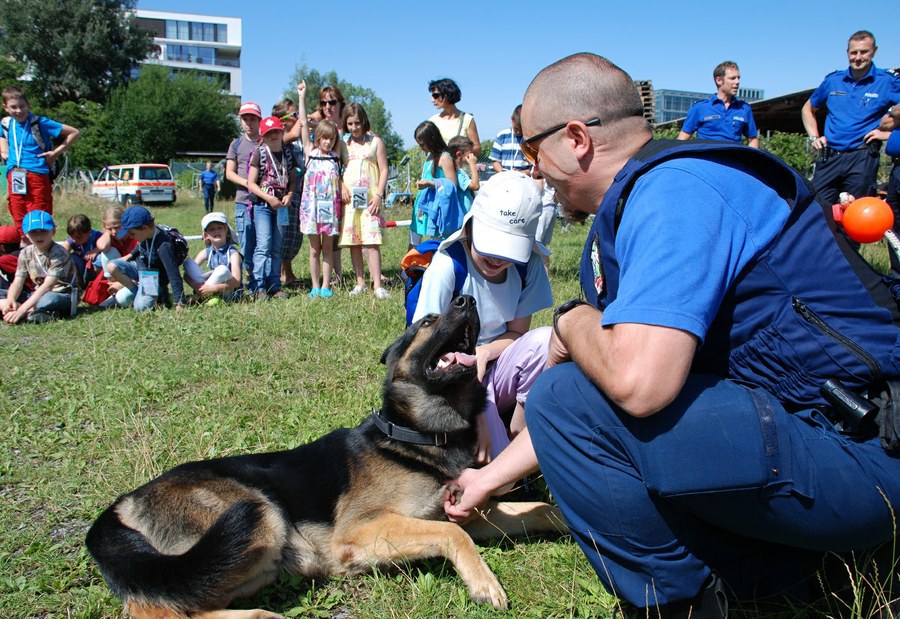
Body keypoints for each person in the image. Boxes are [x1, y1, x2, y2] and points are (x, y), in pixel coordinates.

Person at [445, 52, 900, 617]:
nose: (534, 170)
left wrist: (570, 320)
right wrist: (490, 478)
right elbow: (600, 403)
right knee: (567, 393)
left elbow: (636, 385)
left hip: (866, 452)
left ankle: (691, 604)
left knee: (564, 395)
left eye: (533, 150)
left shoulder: (675, 189)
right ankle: (770, 576)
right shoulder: (636, 206)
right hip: (811, 436)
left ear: (577, 139)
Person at [413, 171, 553, 462]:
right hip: (450, 374)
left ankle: (518, 431)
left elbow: (517, 334)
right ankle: (494, 441)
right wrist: (465, 374)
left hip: (496, 365)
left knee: (546, 341)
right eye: (490, 245)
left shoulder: (529, 267)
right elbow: (423, 344)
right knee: (499, 477)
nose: (496, 259)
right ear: (471, 225)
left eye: (508, 250)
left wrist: (485, 352)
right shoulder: (448, 266)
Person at [801, 31, 900, 207]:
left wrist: (887, 133)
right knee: (816, 210)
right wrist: (814, 137)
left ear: (874, 51)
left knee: (856, 215)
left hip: (861, 157)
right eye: (854, 52)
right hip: (829, 156)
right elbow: (808, 109)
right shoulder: (834, 80)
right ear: (847, 52)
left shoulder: (888, 81)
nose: (858, 57)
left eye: (864, 52)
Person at [0, 87, 80, 235]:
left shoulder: (39, 122)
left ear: (28, 105)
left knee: (39, 211)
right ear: (6, 108)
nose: (19, 111)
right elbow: (2, 136)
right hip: (15, 174)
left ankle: (44, 244)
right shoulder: (6, 123)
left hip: (37, 173)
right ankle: (24, 244)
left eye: (22, 106)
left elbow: (74, 132)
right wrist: (4, 152)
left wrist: (55, 153)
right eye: (13, 107)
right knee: (17, 210)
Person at [339, 102, 390, 299]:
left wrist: (378, 195)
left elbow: (384, 169)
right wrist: (342, 186)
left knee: (372, 241)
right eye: (350, 124)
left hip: (370, 199)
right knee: (354, 241)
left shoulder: (375, 142)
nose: (354, 128)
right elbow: (338, 168)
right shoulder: (343, 143)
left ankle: (377, 284)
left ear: (364, 122)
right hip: (350, 200)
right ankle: (360, 282)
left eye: (357, 123)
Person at [246, 116, 295, 301]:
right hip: (263, 206)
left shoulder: (288, 154)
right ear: (263, 136)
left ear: (282, 132)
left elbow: (292, 180)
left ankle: (274, 285)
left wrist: (289, 195)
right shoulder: (260, 153)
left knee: (276, 247)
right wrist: (268, 198)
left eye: (276, 131)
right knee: (263, 246)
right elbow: (251, 183)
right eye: (268, 133)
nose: (273, 135)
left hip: (281, 207)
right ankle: (257, 286)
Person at [0, 210, 78, 324]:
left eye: (43, 231)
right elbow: (18, 281)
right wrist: (11, 300)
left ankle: (25, 311)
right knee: (5, 294)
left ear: (53, 231)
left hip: (61, 294)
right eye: (33, 232)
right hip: (35, 293)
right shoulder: (25, 253)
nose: (39, 236)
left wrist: (21, 310)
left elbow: (48, 286)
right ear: (26, 234)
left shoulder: (59, 254)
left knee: (49, 300)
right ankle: (22, 310)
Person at [106, 206, 187, 311]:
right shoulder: (147, 233)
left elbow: (173, 275)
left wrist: (179, 303)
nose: (130, 236)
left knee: (140, 307)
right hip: (142, 268)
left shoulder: (164, 246)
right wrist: (130, 255)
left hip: (153, 277)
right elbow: (141, 245)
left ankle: (159, 296)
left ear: (144, 228)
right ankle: (138, 292)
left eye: (132, 233)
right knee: (112, 266)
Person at [298, 118, 343, 299]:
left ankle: (326, 285)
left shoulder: (336, 156)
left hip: (330, 210)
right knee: (314, 249)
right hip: (311, 209)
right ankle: (315, 285)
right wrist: (302, 97)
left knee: (327, 248)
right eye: (324, 138)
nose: (327, 142)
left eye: (331, 139)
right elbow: (302, 123)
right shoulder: (310, 152)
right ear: (317, 138)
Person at [225, 101, 262, 292]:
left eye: (253, 119)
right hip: (243, 201)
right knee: (247, 241)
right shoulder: (236, 144)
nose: (249, 123)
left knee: (263, 242)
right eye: (245, 119)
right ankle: (248, 277)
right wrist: (249, 183)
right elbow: (229, 173)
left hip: (264, 203)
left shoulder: (266, 141)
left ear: (259, 120)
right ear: (241, 121)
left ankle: (262, 279)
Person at [677, 61, 759, 148]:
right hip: (706, 159)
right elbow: (682, 139)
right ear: (719, 80)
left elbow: (753, 139)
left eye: (738, 78)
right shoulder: (700, 108)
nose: (737, 81)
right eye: (732, 78)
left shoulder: (744, 108)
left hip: (732, 159)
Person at [272, 98, 305, 288]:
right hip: (283, 195)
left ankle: (287, 271)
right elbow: (294, 132)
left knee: (294, 235)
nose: (299, 118)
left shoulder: (299, 139)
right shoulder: (280, 137)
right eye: (294, 114)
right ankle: (281, 273)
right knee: (282, 233)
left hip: (299, 192)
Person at [409, 120, 458, 246]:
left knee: (437, 242)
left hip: (437, 206)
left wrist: (431, 184)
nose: (420, 148)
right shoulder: (430, 156)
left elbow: (452, 185)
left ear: (432, 140)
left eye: (422, 144)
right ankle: (412, 264)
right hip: (424, 204)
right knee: (414, 238)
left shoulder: (445, 157)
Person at [183, 211, 243, 303]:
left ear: (226, 231)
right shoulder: (206, 252)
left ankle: (198, 297)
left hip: (229, 293)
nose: (216, 231)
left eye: (220, 228)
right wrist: (199, 287)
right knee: (188, 263)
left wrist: (213, 288)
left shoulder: (233, 253)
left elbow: (236, 281)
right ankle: (205, 295)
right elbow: (187, 275)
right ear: (206, 235)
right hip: (208, 288)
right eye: (212, 229)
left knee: (222, 269)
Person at [428, 78, 480, 148]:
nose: (432, 100)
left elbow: (476, 147)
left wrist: (461, 154)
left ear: (447, 94)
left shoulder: (467, 119)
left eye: (435, 96)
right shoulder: (432, 121)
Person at [60, 214, 101, 288]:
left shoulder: (98, 236)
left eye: (78, 237)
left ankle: (98, 285)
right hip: (82, 270)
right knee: (70, 257)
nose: (74, 240)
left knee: (100, 258)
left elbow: (109, 243)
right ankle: (78, 286)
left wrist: (98, 249)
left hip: (95, 270)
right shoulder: (74, 240)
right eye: (72, 237)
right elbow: (61, 252)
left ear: (89, 232)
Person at [489, 105, 532, 172]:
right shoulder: (502, 136)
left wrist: (520, 173)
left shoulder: (530, 138)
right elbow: (495, 161)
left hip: (524, 179)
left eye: (521, 129)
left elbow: (534, 168)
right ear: (512, 120)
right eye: (516, 128)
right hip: (506, 178)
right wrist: (504, 173)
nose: (518, 132)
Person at [448, 136, 480, 214]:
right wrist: (473, 165)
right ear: (459, 154)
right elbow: (475, 186)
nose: (473, 157)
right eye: (470, 154)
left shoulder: (461, 171)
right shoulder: (457, 174)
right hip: (463, 215)